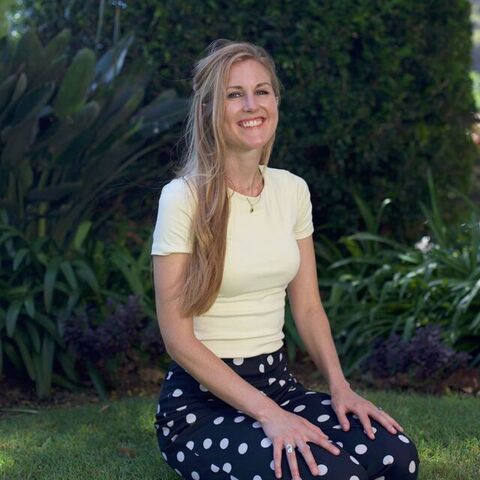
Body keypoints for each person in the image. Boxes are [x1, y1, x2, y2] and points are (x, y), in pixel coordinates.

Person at [151, 39, 420, 480]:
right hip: (200, 406)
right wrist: (269, 415)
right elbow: (178, 339)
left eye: (262, 91)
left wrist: (340, 388)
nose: (251, 105)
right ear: (208, 109)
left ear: (275, 101)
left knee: (395, 456)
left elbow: (308, 307)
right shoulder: (183, 198)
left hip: (279, 386)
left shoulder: (291, 190)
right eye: (234, 94)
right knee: (332, 474)